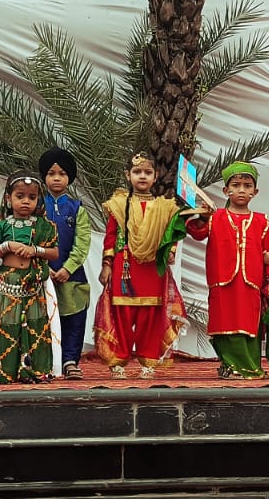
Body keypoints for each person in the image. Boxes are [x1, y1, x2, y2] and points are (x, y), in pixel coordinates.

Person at [94, 151, 189, 380]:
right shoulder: (118, 205)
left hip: (152, 269)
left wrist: (171, 251)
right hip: (125, 267)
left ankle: (149, 361)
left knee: (150, 317)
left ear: (155, 176)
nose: (142, 176)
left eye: (148, 172)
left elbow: (171, 234)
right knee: (122, 315)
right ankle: (118, 361)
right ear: (128, 175)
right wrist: (106, 265)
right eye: (137, 172)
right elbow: (110, 238)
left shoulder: (166, 207)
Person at [186, 162, 269, 380]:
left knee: (249, 324)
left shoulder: (261, 220)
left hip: (251, 284)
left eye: (247, 186)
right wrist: (203, 216)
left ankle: (250, 367)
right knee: (224, 322)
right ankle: (229, 365)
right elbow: (196, 232)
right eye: (236, 185)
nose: (241, 190)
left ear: (255, 192)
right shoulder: (215, 217)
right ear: (225, 190)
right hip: (222, 282)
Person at [0, 172, 59, 384]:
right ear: (8, 198)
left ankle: (34, 370)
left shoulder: (45, 226)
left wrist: (35, 250)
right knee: (4, 325)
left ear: (38, 200)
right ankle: (2, 371)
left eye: (32, 197)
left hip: (32, 284)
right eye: (20, 196)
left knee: (34, 325)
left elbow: (54, 253)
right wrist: (7, 246)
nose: (26, 201)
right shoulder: (0, 226)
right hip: (6, 284)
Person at [40, 148, 92, 381]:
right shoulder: (37, 207)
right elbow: (31, 240)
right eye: (51, 173)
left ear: (69, 177)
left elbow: (83, 243)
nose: (56, 178)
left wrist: (67, 268)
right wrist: (45, 269)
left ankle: (70, 362)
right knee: (44, 319)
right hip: (43, 277)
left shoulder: (77, 209)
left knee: (74, 319)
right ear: (44, 177)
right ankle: (47, 363)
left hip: (72, 276)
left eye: (62, 173)